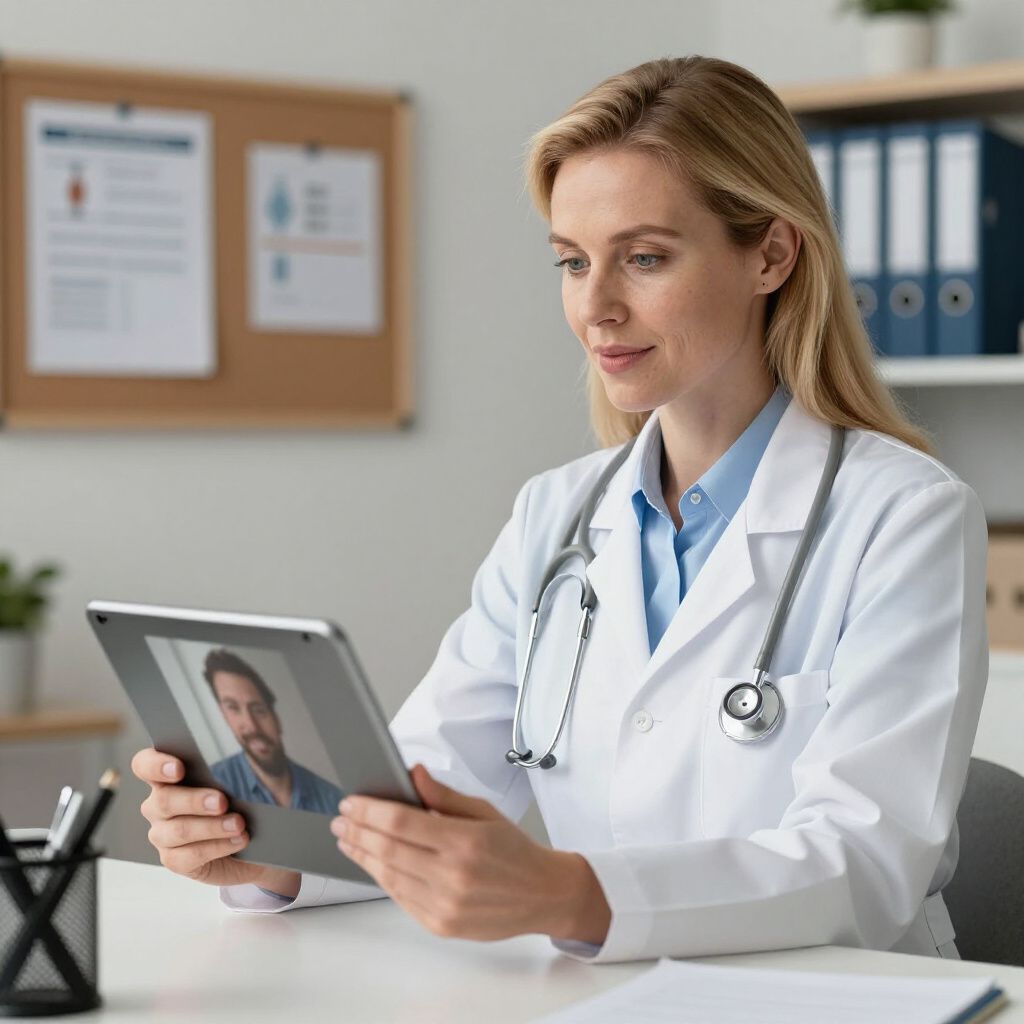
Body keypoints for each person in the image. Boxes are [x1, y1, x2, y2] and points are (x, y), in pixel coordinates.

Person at [132, 55, 988, 964]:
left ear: (771, 255)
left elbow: (868, 859)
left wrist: (570, 894)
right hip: (609, 992)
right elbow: (430, 783)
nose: (596, 307)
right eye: (574, 262)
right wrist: (270, 851)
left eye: (644, 258)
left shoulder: (906, 517)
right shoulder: (557, 515)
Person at [202, 648, 345, 815]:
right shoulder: (209, 790)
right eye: (233, 708)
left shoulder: (334, 800)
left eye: (259, 710)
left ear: (276, 719)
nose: (252, 726)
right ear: (224, 715)